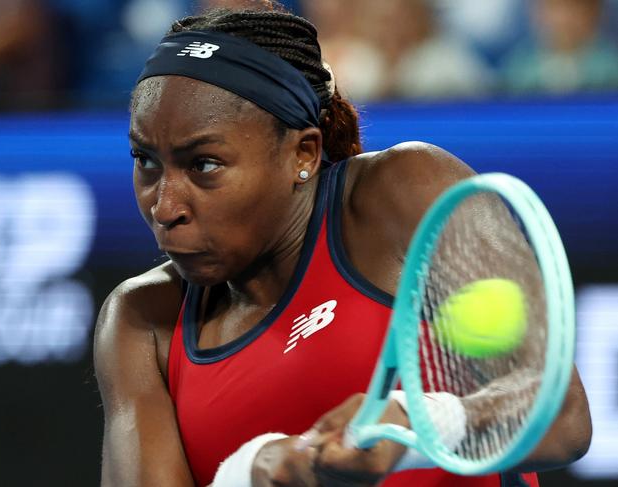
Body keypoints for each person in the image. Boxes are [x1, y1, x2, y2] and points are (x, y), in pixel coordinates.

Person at [94, 3, 592, 486]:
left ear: (303, 154)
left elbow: (563, 416)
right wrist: (254, 471)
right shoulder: (141, 319)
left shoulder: (404, 190)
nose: (164, 207)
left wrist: (414, 426)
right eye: (147, 162)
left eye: (203, 164)